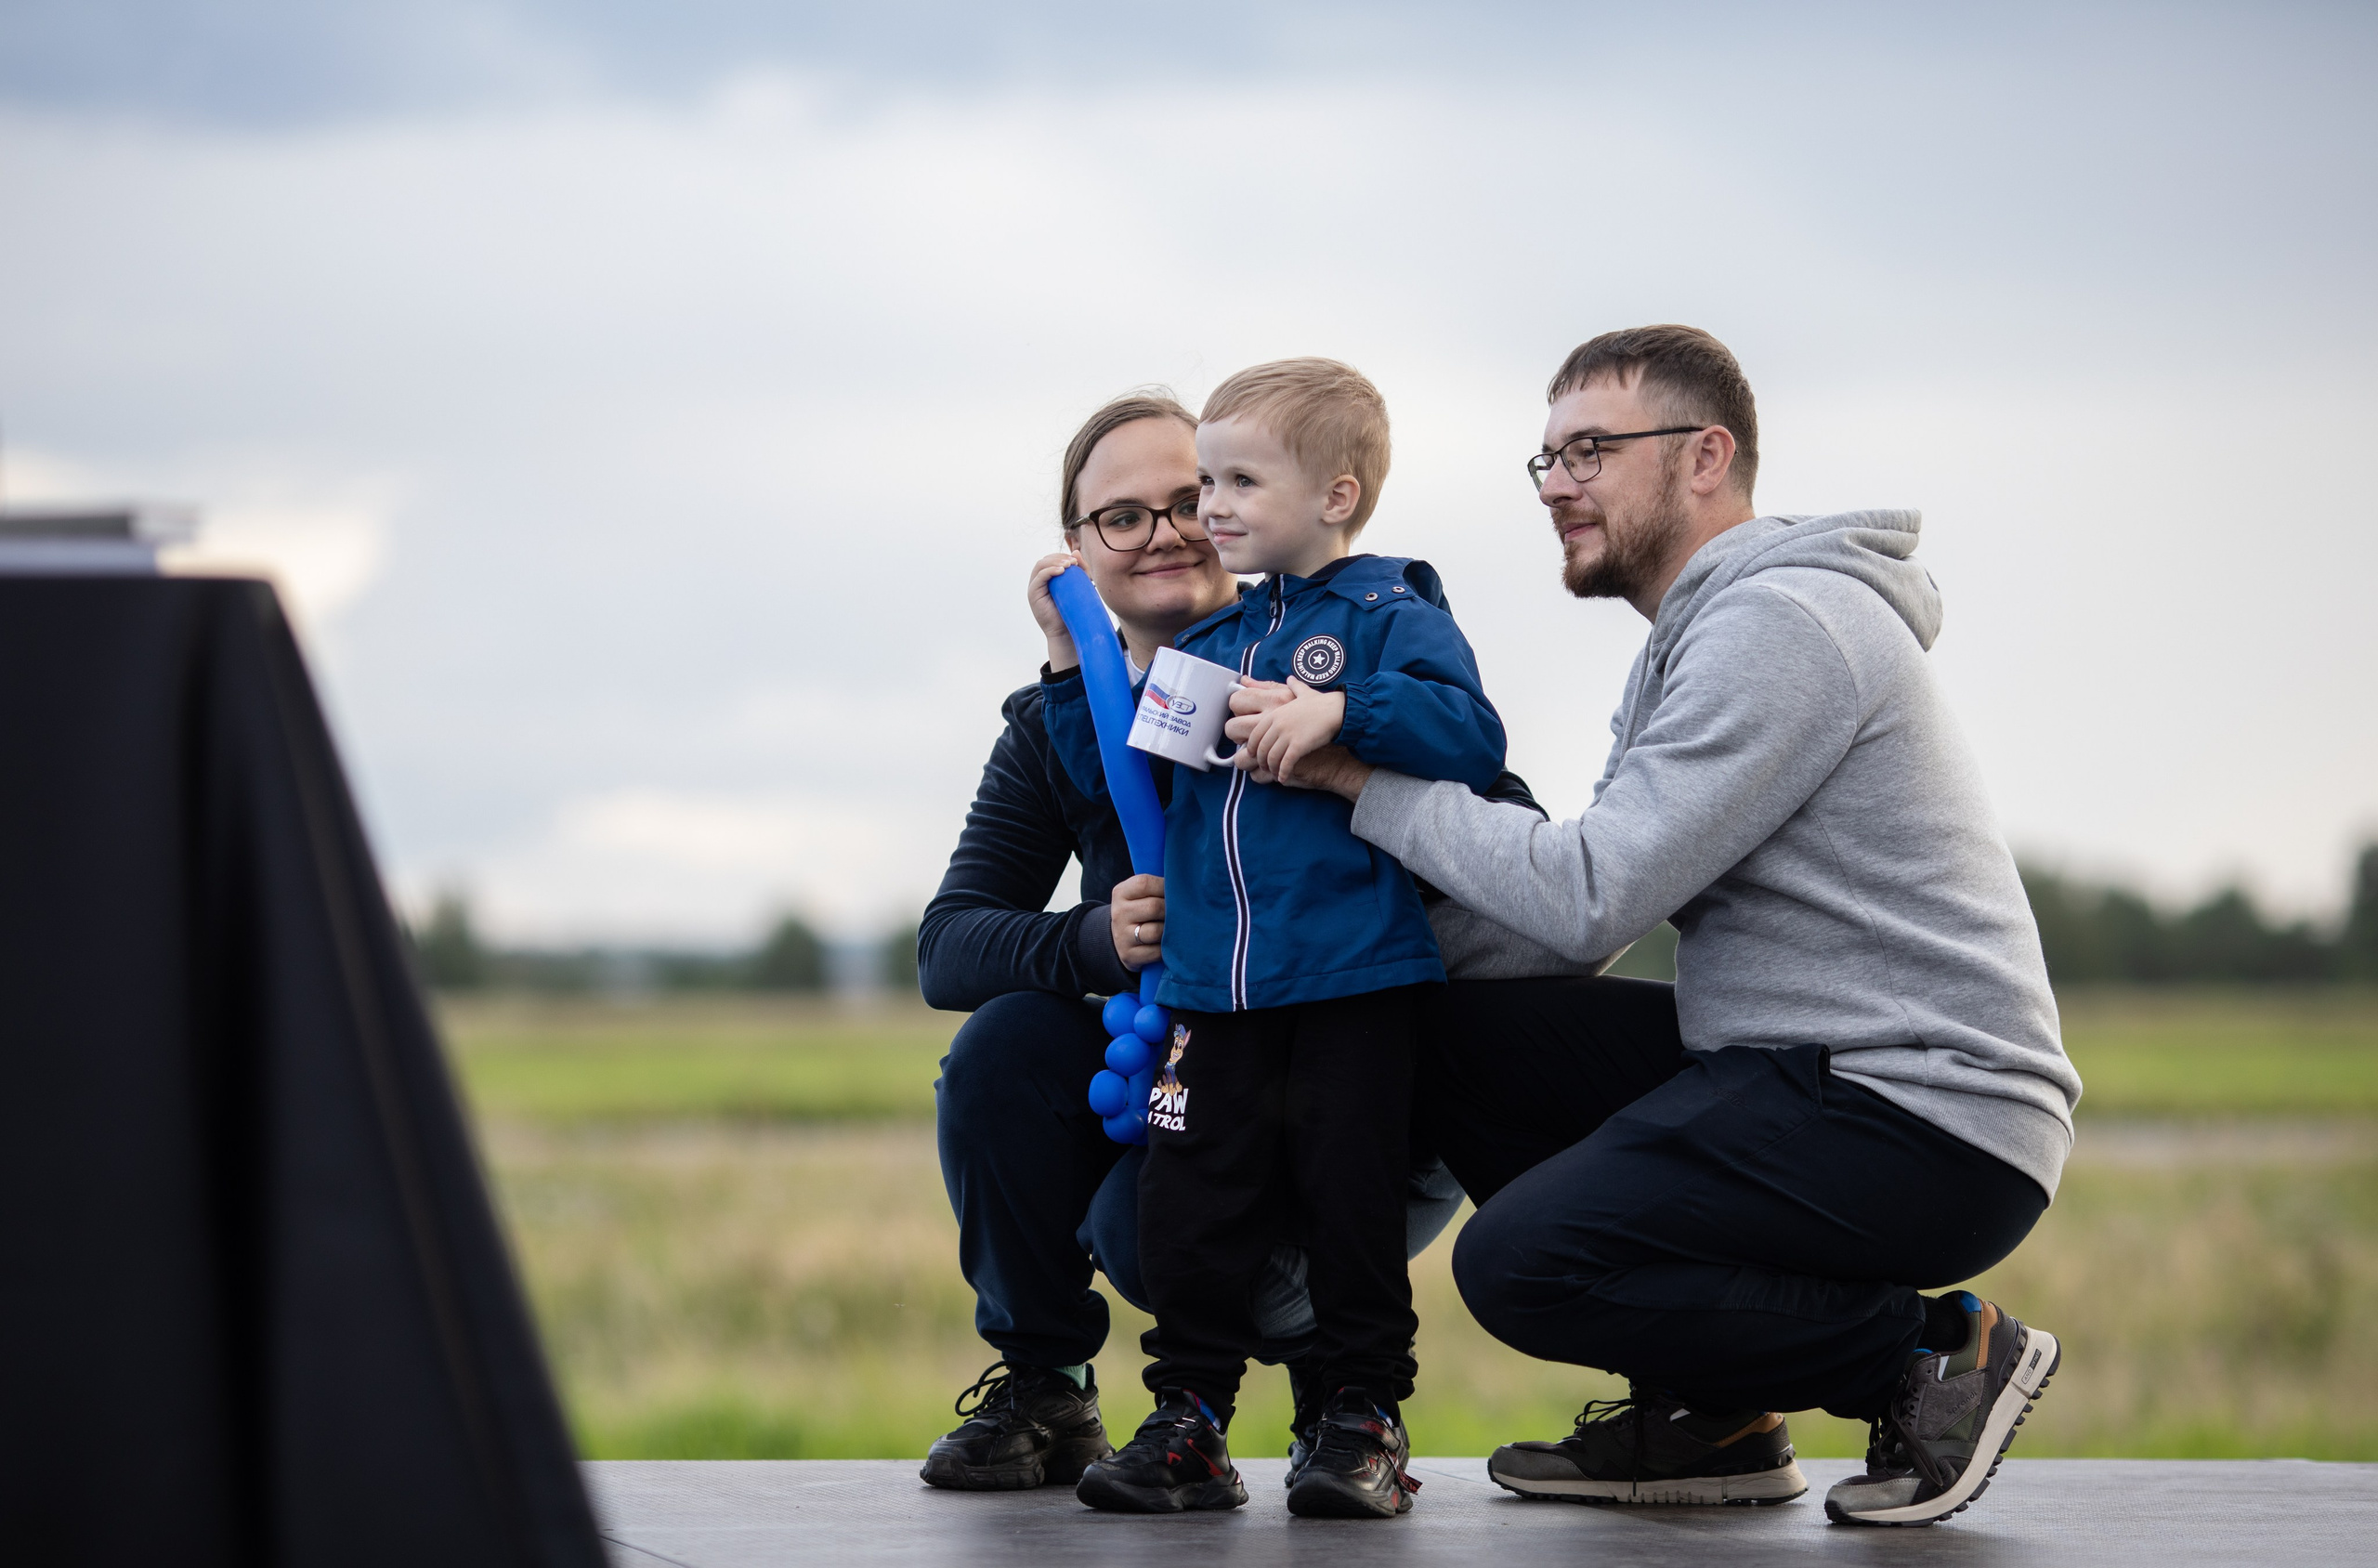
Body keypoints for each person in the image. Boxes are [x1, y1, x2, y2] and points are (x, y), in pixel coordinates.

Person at [1254, 325, 2082, 1528]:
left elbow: (1590, 889)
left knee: (1517, 1263)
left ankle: (1928, 1359)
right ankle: (1716, 1414)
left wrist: (1356, 779)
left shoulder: (1782, 625)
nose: (1557, 486)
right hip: (1795, 1067)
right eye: (1545, 460)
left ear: (1706, 456)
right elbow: (1571, 930)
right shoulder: (1693, 640)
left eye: (1591, 450)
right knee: (1461, 1038)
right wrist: (1323, 968)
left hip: (1922, 1110)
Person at [916, 389, 1476, 1496]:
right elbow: (951, 945)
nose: (1172, 529)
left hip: (1352, 1074)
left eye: (1197, 494)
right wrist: (1098, 937)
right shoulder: (1070, 718)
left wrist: (1345, 738)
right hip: (1192, 1060)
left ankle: (1342, 1397)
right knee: (1008, 1049)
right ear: (1078, 547)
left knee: (1217, 1189)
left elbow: (1498, 820)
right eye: (1123, 517)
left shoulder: (1340, 651)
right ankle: (1051, 1386)